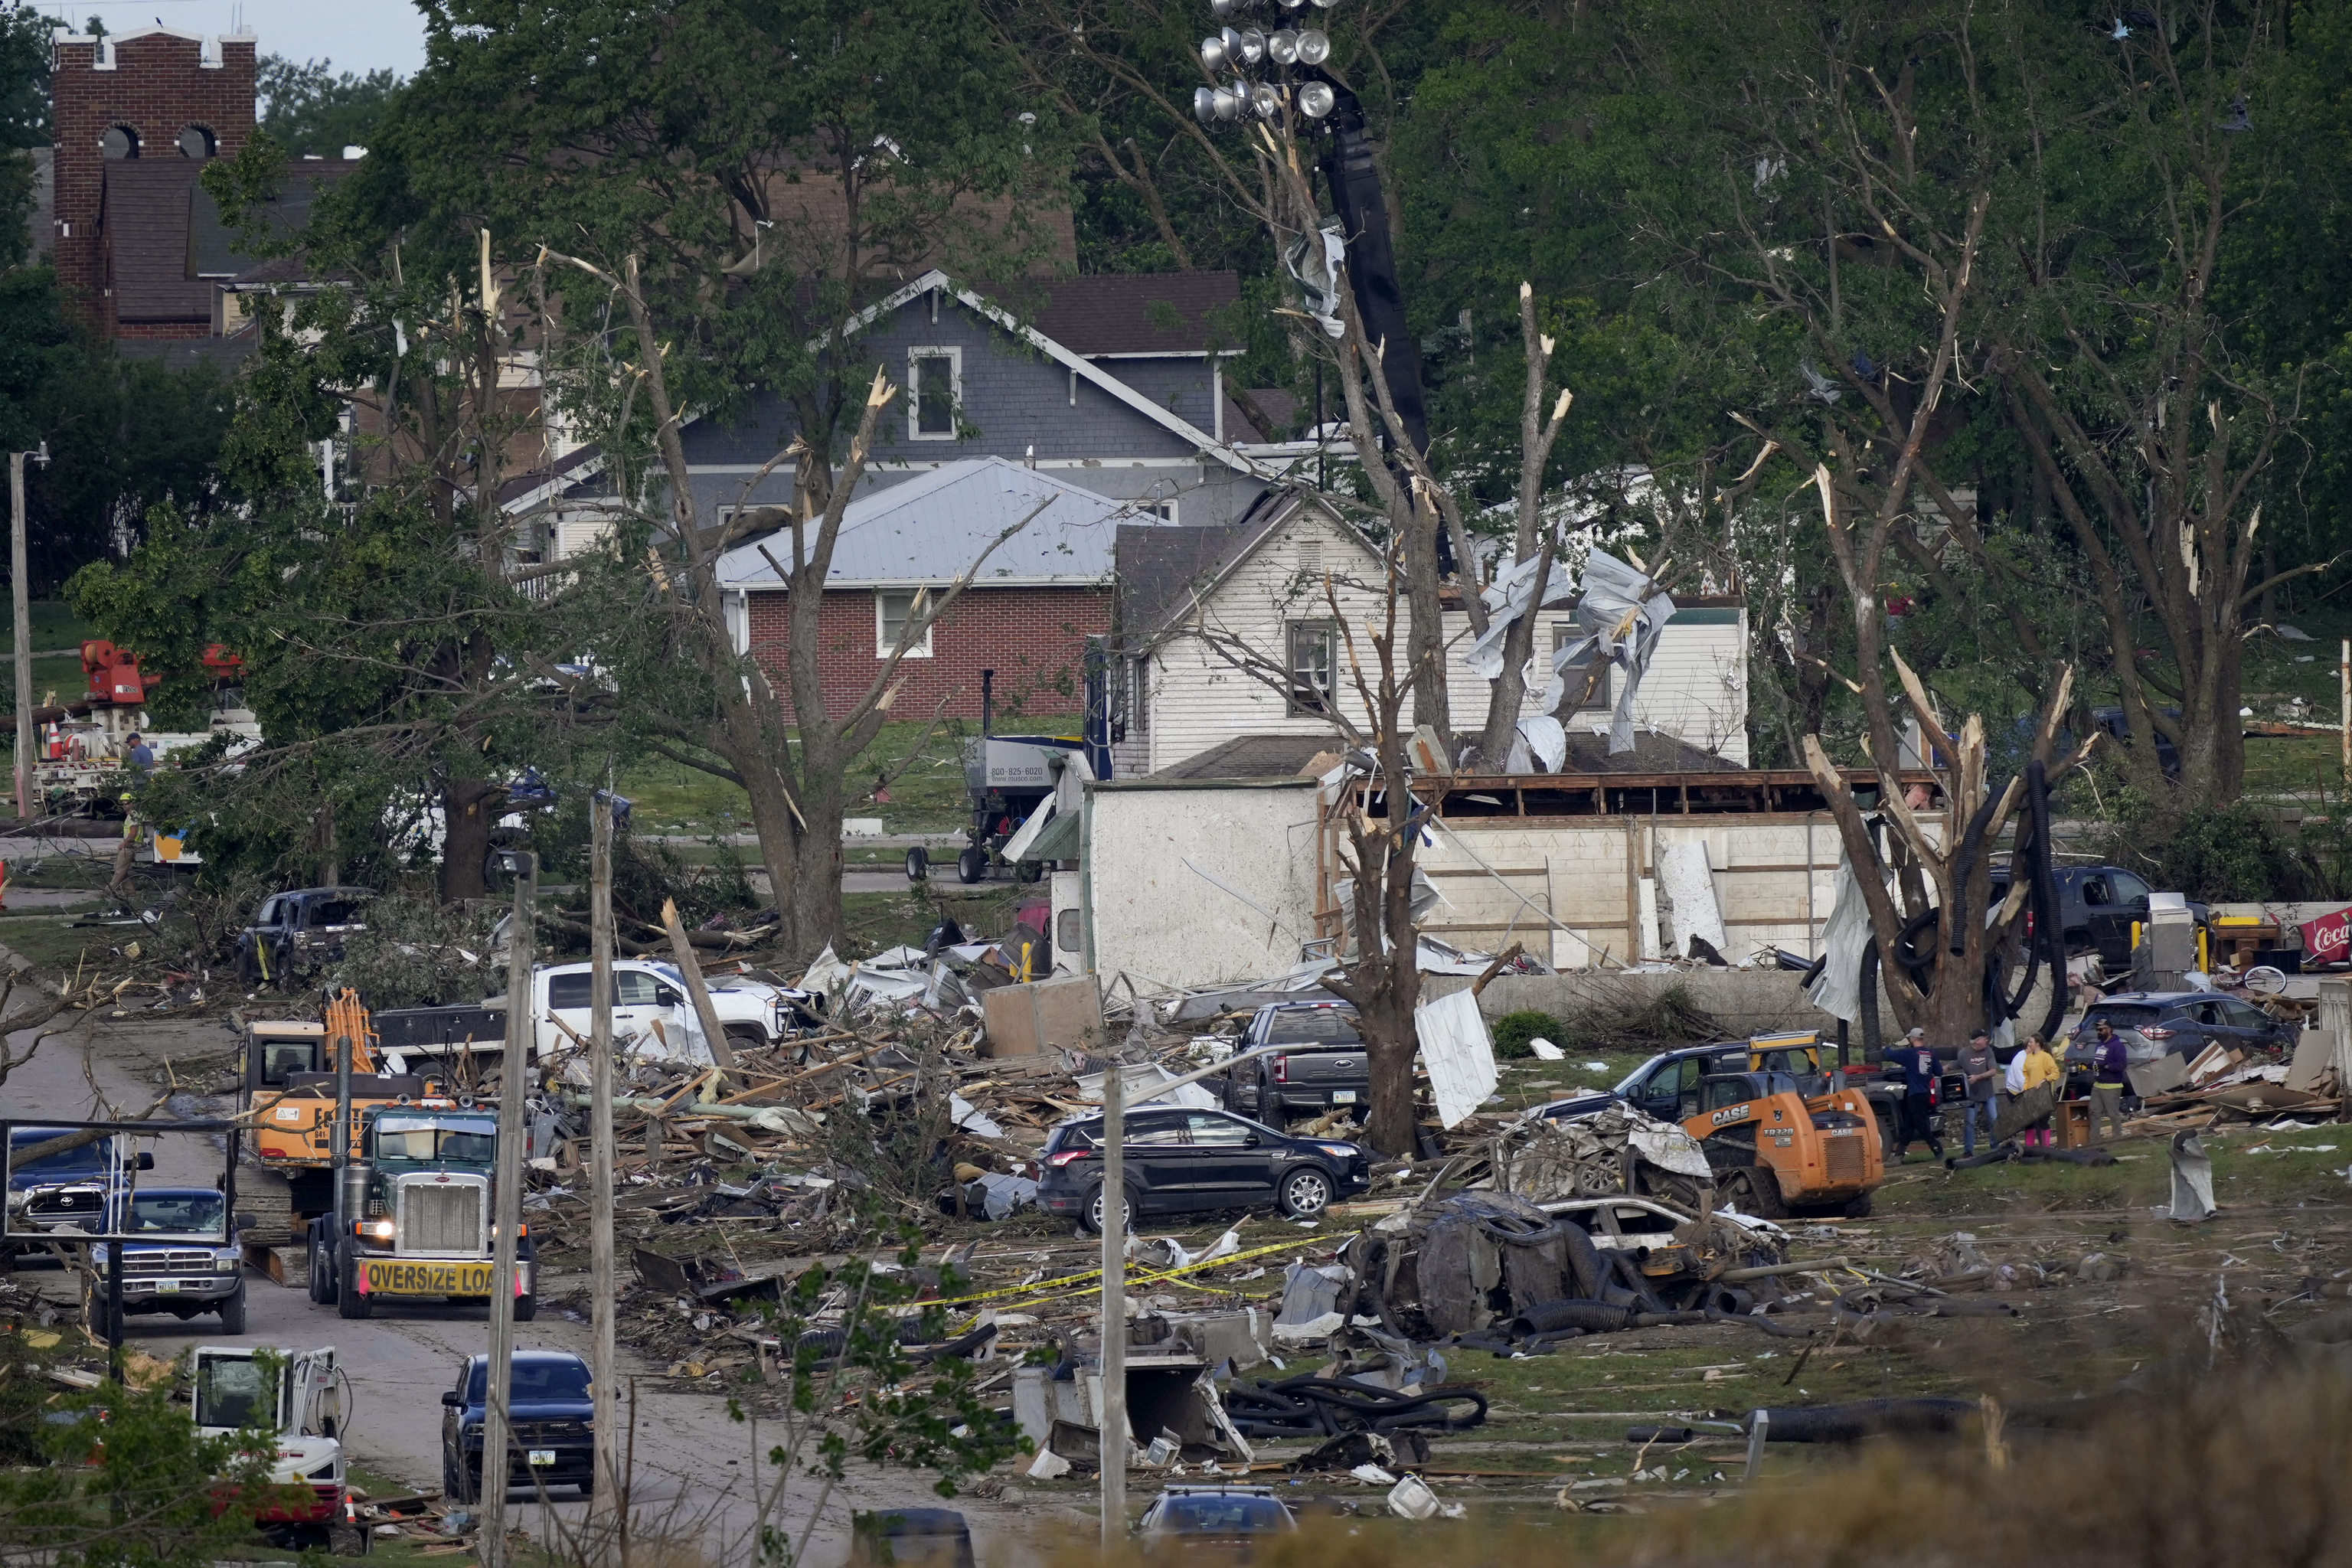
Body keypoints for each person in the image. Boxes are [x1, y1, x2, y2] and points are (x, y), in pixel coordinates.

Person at [1882, 1025, 1945, 1161]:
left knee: (1921, 1124)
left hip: (1914, 1094)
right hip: (1926, 1093)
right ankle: (1899, 1154)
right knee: (1909, 1124)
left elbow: (1890, 1055)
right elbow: (1939, 1072)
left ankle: (1937, 1149)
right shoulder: (1931, 1053)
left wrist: (1885, 1048)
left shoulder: (1909, 1054)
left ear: (1913, 1039)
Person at [1956, 1027, 1998, 1156]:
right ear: (1977, 1041)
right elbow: (1955, 1064)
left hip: (1988, 1093)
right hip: (1971, 1095)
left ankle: (1995, 1146)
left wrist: (1977, 1077)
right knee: (1969, 1122)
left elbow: (1993, 1071)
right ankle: (1968, 1150)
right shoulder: (1964, 1054)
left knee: (1994, 1119)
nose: (1987, 1040)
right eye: (1985, 1038)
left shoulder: (1988, 1051)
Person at [2089, 1018, 2132, 1143]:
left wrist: (2107, 1067)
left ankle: (2117, 1140)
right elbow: (2098, 1062)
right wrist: (2088, 1065)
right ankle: (2094, 1140)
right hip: (2098, 1085)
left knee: (2113, 1115)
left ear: (2109, 1029)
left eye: (2101, 1029)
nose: (2099, 1032)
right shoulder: (2100, 1044)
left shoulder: (2117, 1045)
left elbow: (2122, 1064)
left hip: (2112, 1086)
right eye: (2097, 1030)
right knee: (2094, 1113)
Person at [2016, 1034, 2061, 1148]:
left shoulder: (2045, 1057)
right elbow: (2026, 1075)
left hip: (2043, 1095)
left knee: (2043, 1122)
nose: (2029, 1044)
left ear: (2038, 1044)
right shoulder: (2029, 1057)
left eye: (2031, 1042)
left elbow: (2055, 1073)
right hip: (2031, 1095)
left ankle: (2046, 1147)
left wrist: (2045, 1080)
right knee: (2029, 1123)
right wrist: (2025, 1088)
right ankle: (2029, 1148)